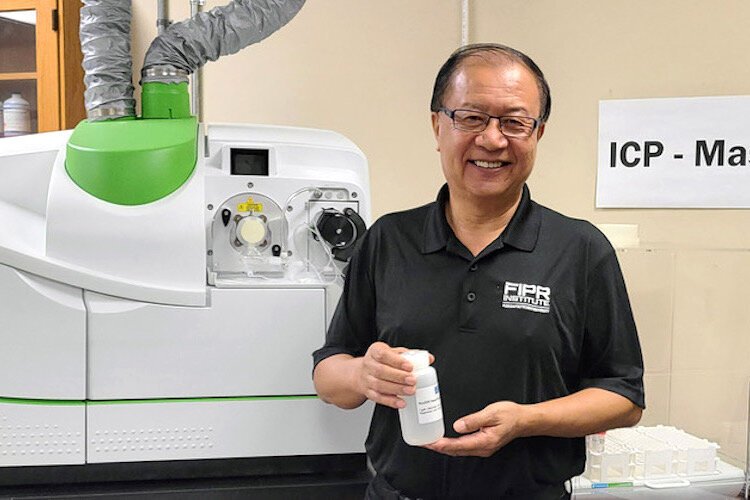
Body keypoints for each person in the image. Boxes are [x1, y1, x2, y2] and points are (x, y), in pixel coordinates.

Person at [312, 43, 645, 500]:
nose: (492, 139)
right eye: (471, 117)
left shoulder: (581, 250)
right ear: (437, 125)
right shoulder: (389, 239)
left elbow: (624, 396)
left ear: (538, 134)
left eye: (514, 121)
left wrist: (526, 421)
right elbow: (329, 375)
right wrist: (362, 375)